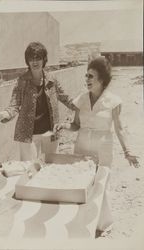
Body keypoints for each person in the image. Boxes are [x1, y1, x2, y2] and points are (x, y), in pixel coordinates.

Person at [56, 56, 140, 236]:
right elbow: (76, 124)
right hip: (82, 147)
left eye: (91, 76)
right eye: (86, 76)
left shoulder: (114, 101)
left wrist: (128, 151)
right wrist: (64, 126)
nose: (86, 79)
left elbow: (119, 128)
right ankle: (82, 221)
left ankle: (102, 224)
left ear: (102, 79)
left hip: (103, 148)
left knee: (101, 186)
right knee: (82, 185)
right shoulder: (81, 100)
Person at [0, 42, 76, 161]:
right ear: (27, 61)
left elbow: (65, 98)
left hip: (50, 132)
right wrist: (6, 114)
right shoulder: (22, 81)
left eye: (38, 58)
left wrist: (81, 106)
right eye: (31, 59)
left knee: (50, 167)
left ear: (44, 60)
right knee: (29, 170)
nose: (35, 62)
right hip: (28, 134)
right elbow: (14, 104)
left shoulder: (52, 80)